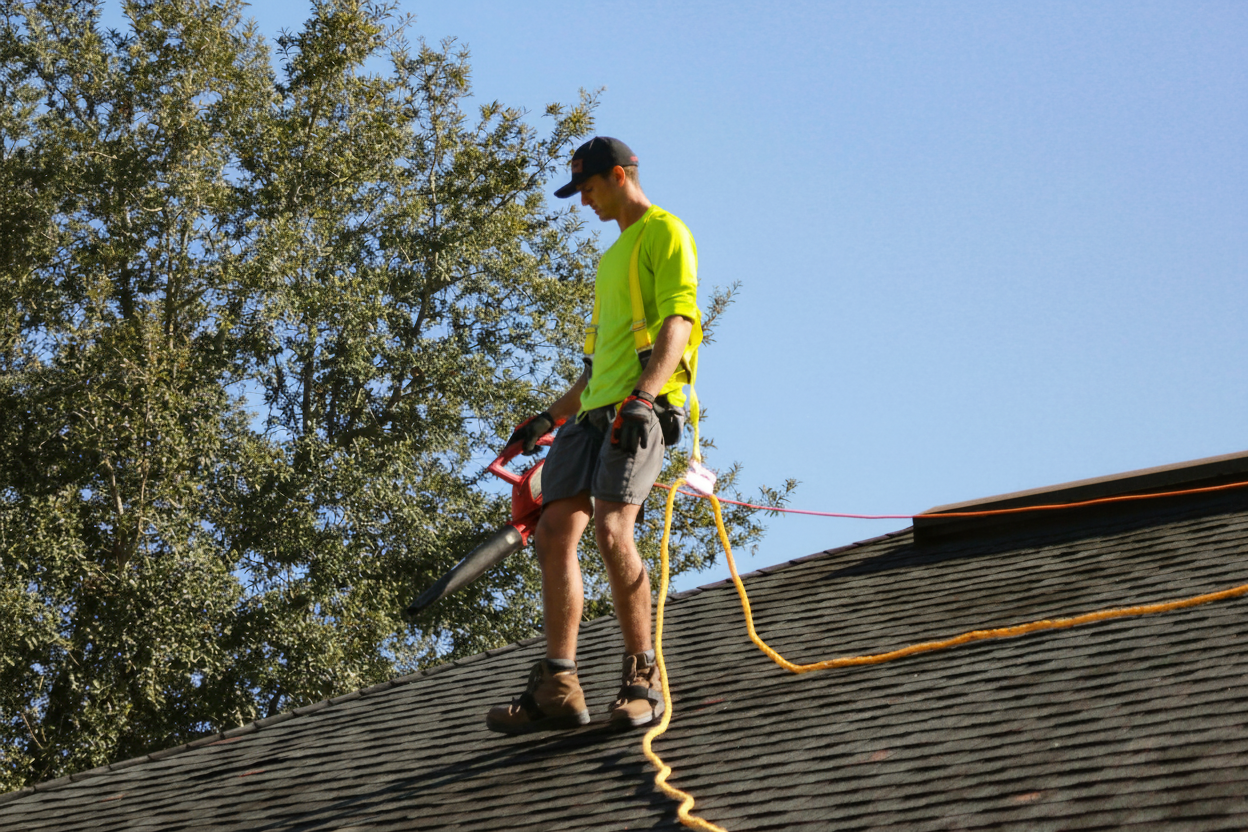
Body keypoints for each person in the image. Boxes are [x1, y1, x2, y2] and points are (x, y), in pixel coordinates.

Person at [486, 136, 702, 734]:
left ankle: (643, 679)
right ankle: (559, 683)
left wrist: (645, 398)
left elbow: (677, 324)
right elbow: (593, 368)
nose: (583, 202)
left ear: (619, 175)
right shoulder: (612, 260)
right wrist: (544, 421)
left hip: (638, 411)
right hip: (591, 416)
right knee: (554, 531)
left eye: (587, 188)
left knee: (612, 530)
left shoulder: (665, 232)